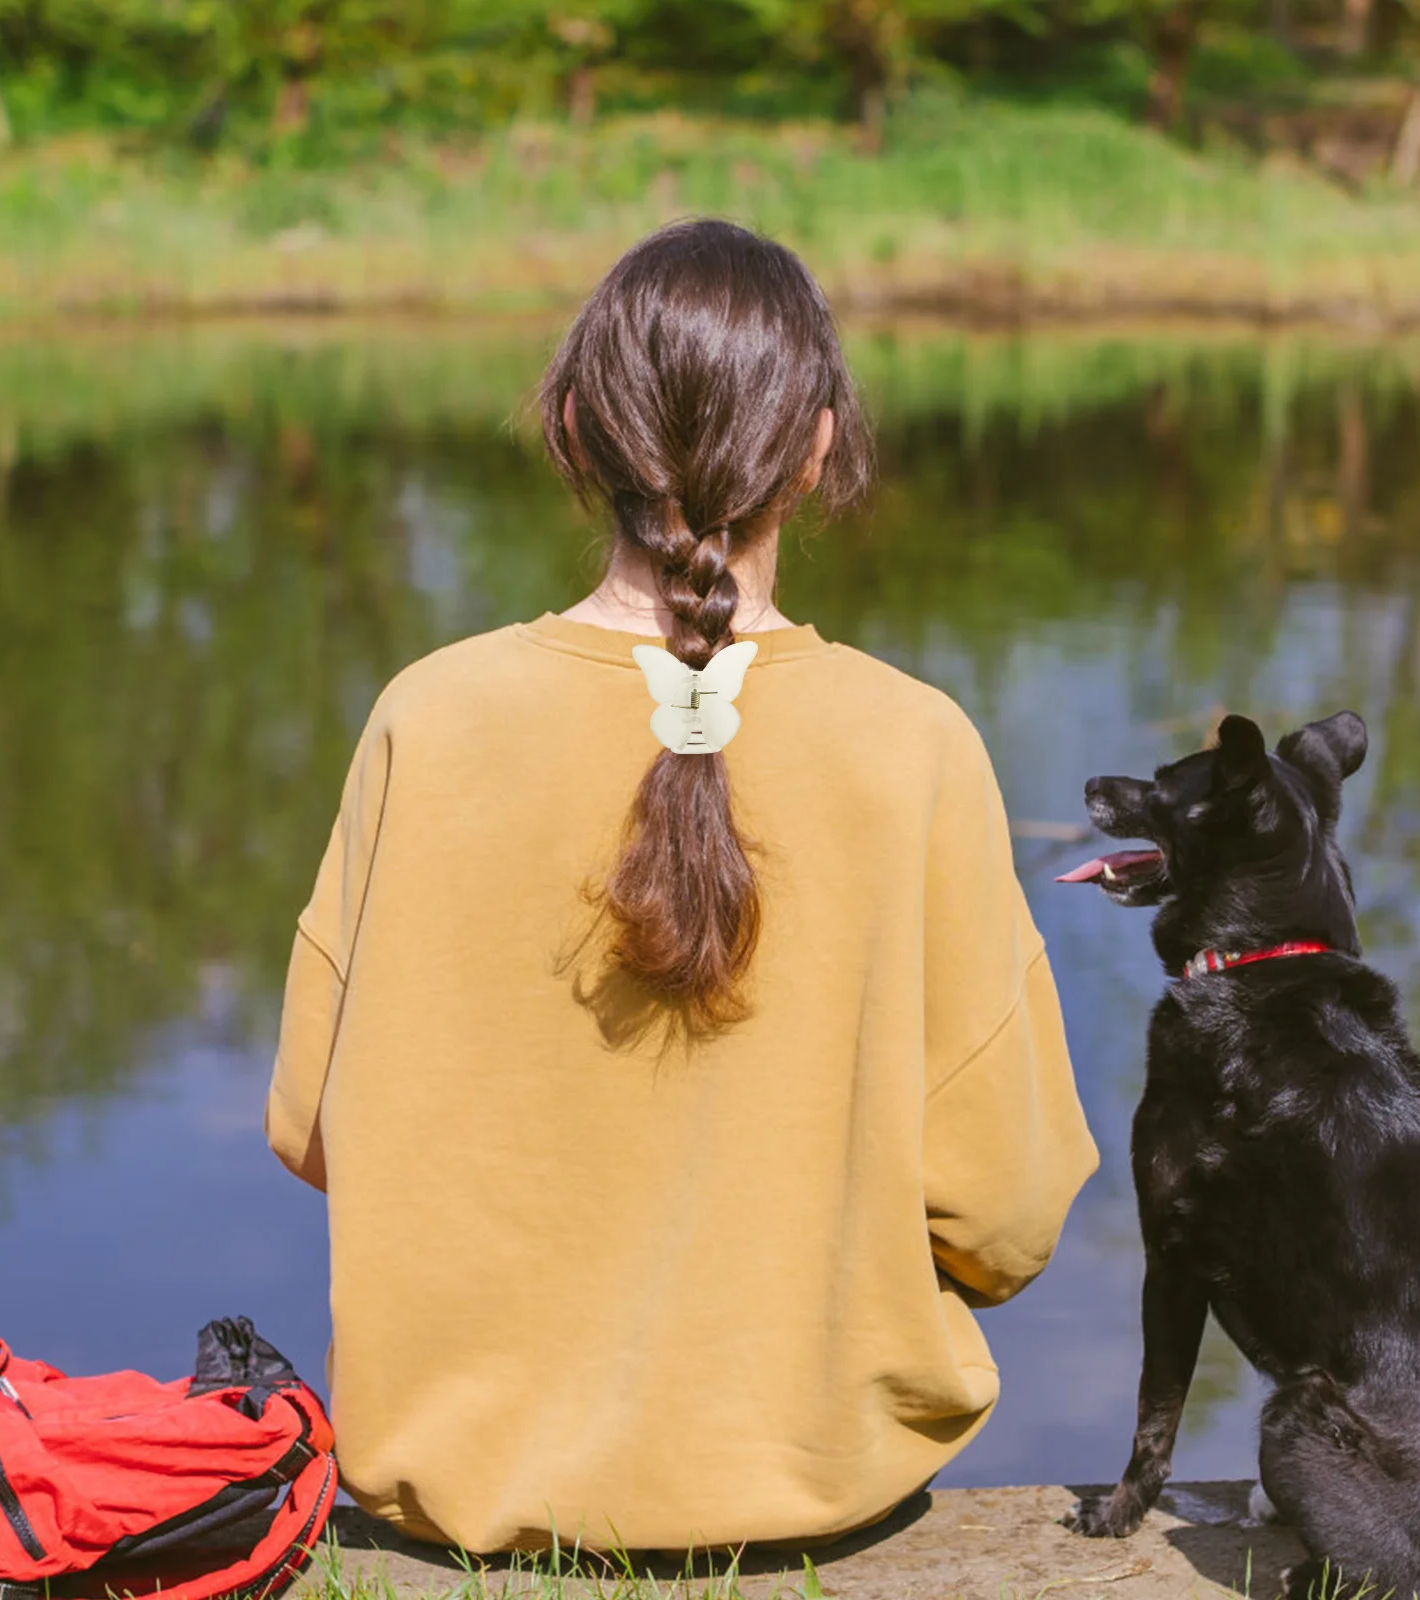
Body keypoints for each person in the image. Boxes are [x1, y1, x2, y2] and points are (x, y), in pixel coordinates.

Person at [265, 217, 1098, 1556]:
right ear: (818, 446)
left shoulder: (430, 717)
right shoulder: (914, 745)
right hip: (820, 1496)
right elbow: (1006, 1213)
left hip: (469, 1497)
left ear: (575, 429)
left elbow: (316, 1130)